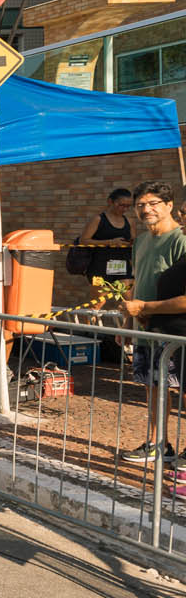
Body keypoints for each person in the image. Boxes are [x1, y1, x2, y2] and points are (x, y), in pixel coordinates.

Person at [119, 181, 186, 468]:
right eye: (140, 205)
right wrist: (127, 322)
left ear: (169, 205)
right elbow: (136, 282)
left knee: (182, 387)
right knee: (152, 386)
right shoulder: (141, 241)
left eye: (153, 203)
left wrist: (147, 309)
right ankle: (159, 443)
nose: (146, 209)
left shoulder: (180, 240)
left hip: (173, 328)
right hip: (144, 327)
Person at [76, 187, 134, 282]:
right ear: (110, 201)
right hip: (100, 265)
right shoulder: (98, 219)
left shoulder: (130, 221)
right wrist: (110, 242)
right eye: (121, 205)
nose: (125, 209)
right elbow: (83, 241)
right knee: (101, 292)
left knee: (127, 291)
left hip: (122, 265)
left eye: (128, 206)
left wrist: (131, 242)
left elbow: (133, 240)